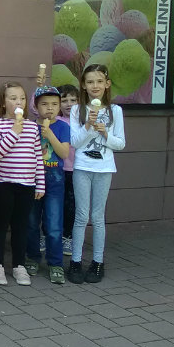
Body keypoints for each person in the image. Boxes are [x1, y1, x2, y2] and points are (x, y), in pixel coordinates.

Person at [67, 64, 125, 284]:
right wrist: (89, 126)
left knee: (98, 217)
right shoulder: (77, 110)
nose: (95, 86)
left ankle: (98, 262)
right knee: (81, 216)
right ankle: (75, 261)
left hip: (104, 169)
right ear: (83, 85)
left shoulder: (115, 111)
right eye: (90, 82)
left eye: (99, 81)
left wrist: (105, 134)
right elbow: (75, 142)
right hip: (82, 167)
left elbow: (120, 144)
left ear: (107, 84)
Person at [0, 82, 45, 286]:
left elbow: (37, 157)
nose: (18, 102)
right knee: (0, 226)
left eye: (21, 98)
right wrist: (14, 131)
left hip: (26, 185)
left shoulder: (32, 126)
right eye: (13, 98)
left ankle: (19, 265)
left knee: (21, 227)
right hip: (2, 184)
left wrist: (40, 184)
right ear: (3, 103)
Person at [26, 86, 70, 285]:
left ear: (59, 107)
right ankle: (32, 257)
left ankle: (55, 263)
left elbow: (64, 153)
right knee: (31, 223)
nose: (49, 108)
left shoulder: (63, 127)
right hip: (32, 181)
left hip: (55, 182)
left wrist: (50, 134)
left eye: (54, 104)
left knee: (54, 225)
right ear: (36, 107)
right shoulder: (29, 127)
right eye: (44, 104)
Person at [58, 84, 79, 256]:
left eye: (73, 100)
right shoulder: (56, 120)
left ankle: (68, 236)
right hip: (56, 169)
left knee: (71, 205)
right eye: (64, 100)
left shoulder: (82, 122)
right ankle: (49, 234)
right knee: (54, 203)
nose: (69, 104)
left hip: (75, 170)